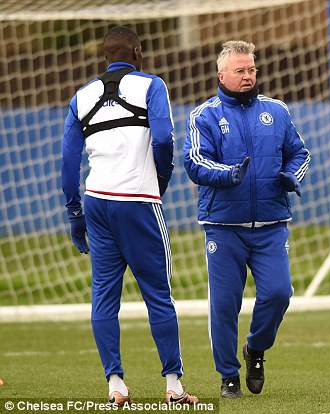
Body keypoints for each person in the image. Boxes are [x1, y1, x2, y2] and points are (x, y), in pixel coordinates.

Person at [61, 26, 198, 405]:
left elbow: (69, 160)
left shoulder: (81, 96)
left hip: (96, 202)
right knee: (158, 295)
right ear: (138, 51)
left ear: (105, 56)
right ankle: (173, 385)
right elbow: (164, 139)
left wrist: (75, 214)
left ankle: (116, 385)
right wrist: (162, 179)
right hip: (137, 201)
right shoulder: (152, 86)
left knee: (104, 297)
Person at [183, 40, 310, 398]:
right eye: (240, 71)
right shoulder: (203, 116)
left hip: (271, 224)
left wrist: (291, 176)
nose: (248, 76)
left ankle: (255, 349)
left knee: (278, 293)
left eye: (251, 69)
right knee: (224, 305)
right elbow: (194, 161)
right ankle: (228, 376)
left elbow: (299, 153)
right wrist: (228, 174)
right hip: (223, 227)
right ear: (221, 74)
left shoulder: (277, 111)